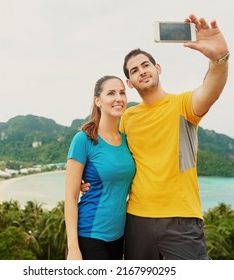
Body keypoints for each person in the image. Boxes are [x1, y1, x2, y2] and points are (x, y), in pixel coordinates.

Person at [82, 14, 229, 260]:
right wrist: (84, 179)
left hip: (181, 218)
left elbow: (210, 90)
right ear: (129, 83)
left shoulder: (183, 105)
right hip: (137, 218)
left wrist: (219, 59)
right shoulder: (127, 118)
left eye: (145, 65)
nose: (141, 71)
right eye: (134, 70)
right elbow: (109, 154)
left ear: (157, 68)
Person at [64, 75, 136, 260]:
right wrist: (73, 249)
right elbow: (71, 197)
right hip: (90, 234)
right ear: (98, 101)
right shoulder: (83, 139)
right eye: (111, 93)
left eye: (122, 92)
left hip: (119, 236)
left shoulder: (127, 140)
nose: (118, 98)